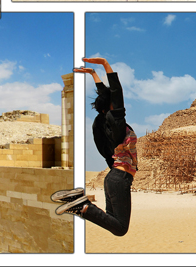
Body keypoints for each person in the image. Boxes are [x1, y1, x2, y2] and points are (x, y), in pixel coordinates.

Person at [54, 57, 137, 237]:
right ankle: (82, 206)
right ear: (111, 106)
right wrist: (105, 64)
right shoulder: (116, 121)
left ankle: (80, 203)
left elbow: (106, 95)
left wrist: (93, 74)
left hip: (112, 178)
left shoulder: (102, 123)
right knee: (121, 229)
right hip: (119, 178)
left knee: (112, 221)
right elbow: (116, 91)